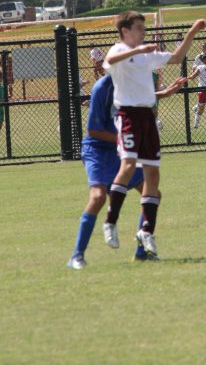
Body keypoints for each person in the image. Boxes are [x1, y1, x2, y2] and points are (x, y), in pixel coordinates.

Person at [102, 11, 206, 260]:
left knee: (152, 173)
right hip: (127, 116)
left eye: (143, 28)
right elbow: (111, 61)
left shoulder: (146, 54)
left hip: (148, 117)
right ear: (125, 30)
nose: (143, 32)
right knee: (127, 165)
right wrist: (138, 51)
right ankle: (110, 221)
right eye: (138, 28)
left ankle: (146, 230)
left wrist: (192, 31)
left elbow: (177, 57)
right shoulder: (117, 50)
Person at [68, 73, 187, 269]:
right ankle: (76, 256)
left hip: (120, 149)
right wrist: (126, 139)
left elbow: (140, 100)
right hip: (97, 150)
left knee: (153, 192)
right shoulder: (101, 88)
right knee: (98, 197)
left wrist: (165, 93)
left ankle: (141, 254)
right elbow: (93, 131)